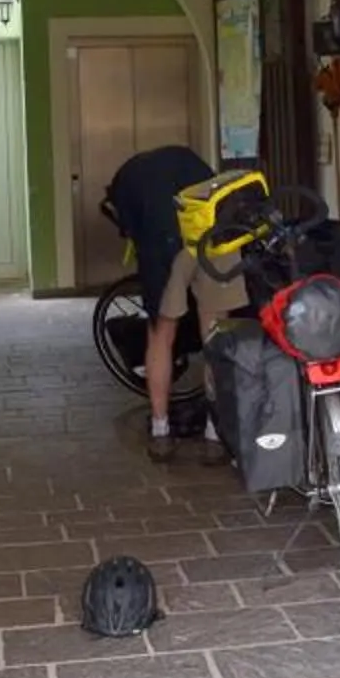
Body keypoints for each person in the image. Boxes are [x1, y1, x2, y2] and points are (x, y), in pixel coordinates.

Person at [99, 143, 249, 464]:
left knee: (161, 334)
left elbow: (135, 236)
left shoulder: (126, 185)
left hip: (164, 240)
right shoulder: (187, 160)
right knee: (216, 336)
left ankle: (161, 430)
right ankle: (214, 431)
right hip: (215, 234)